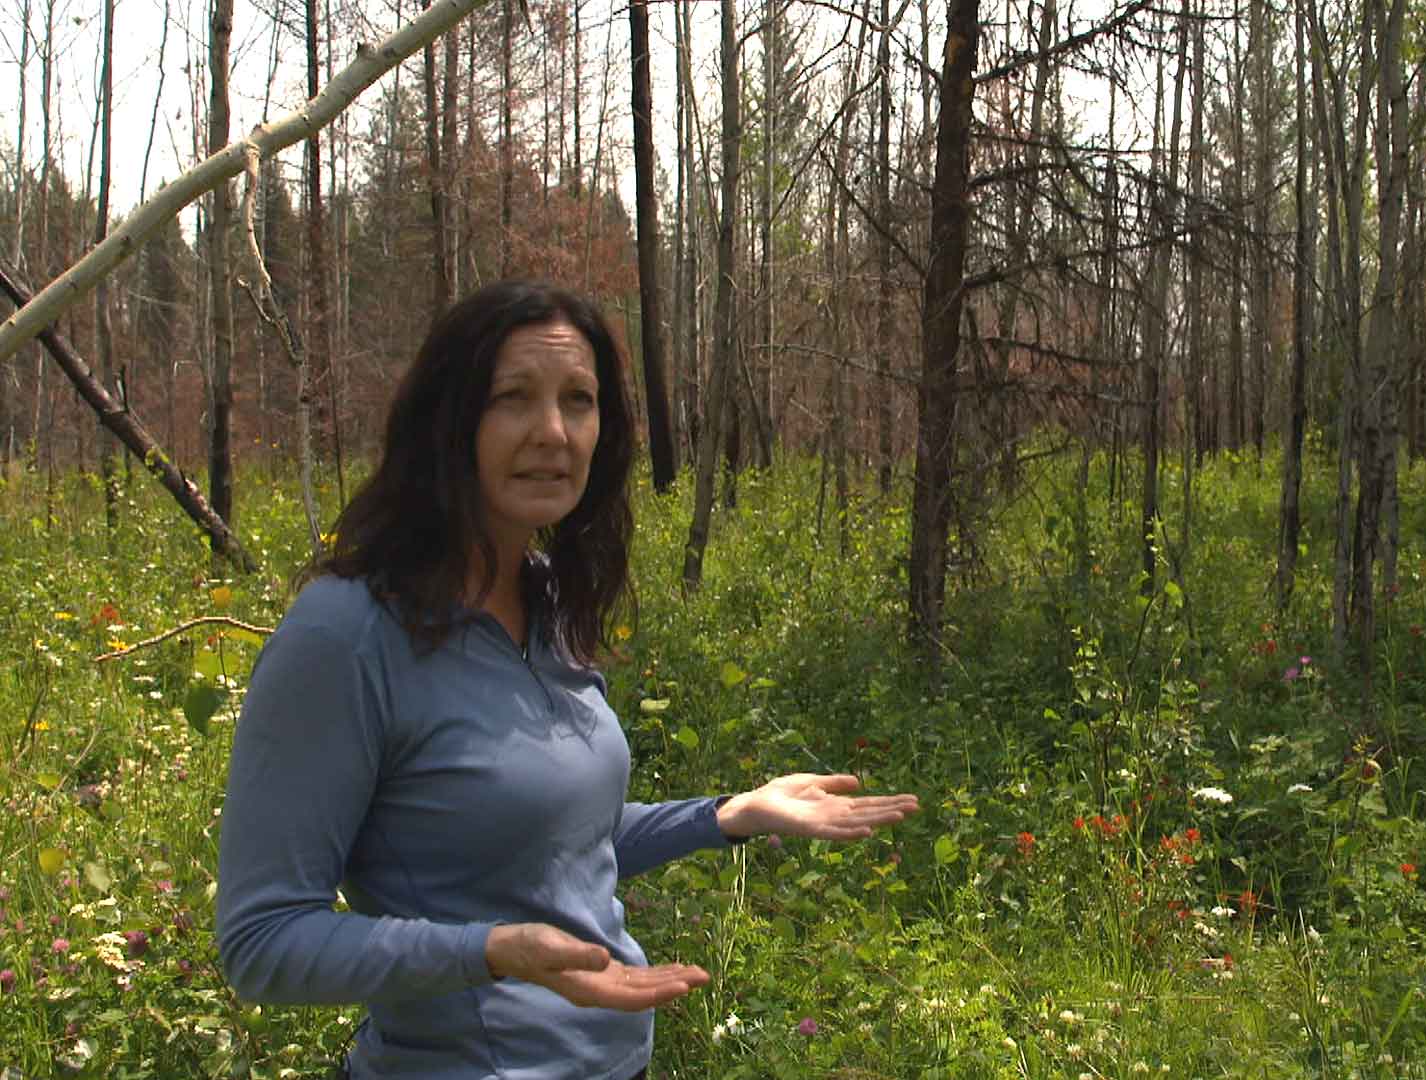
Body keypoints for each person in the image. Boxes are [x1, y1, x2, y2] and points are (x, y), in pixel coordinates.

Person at [214, 280, 919, 1080]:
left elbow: (552, 842)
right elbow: (261, 942)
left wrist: (727, 815)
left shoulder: (548, 598)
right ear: (447, 423)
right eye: (513, 397)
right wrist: (493, 952)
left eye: (578, 401)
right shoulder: (345, 635)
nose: (553, 432)